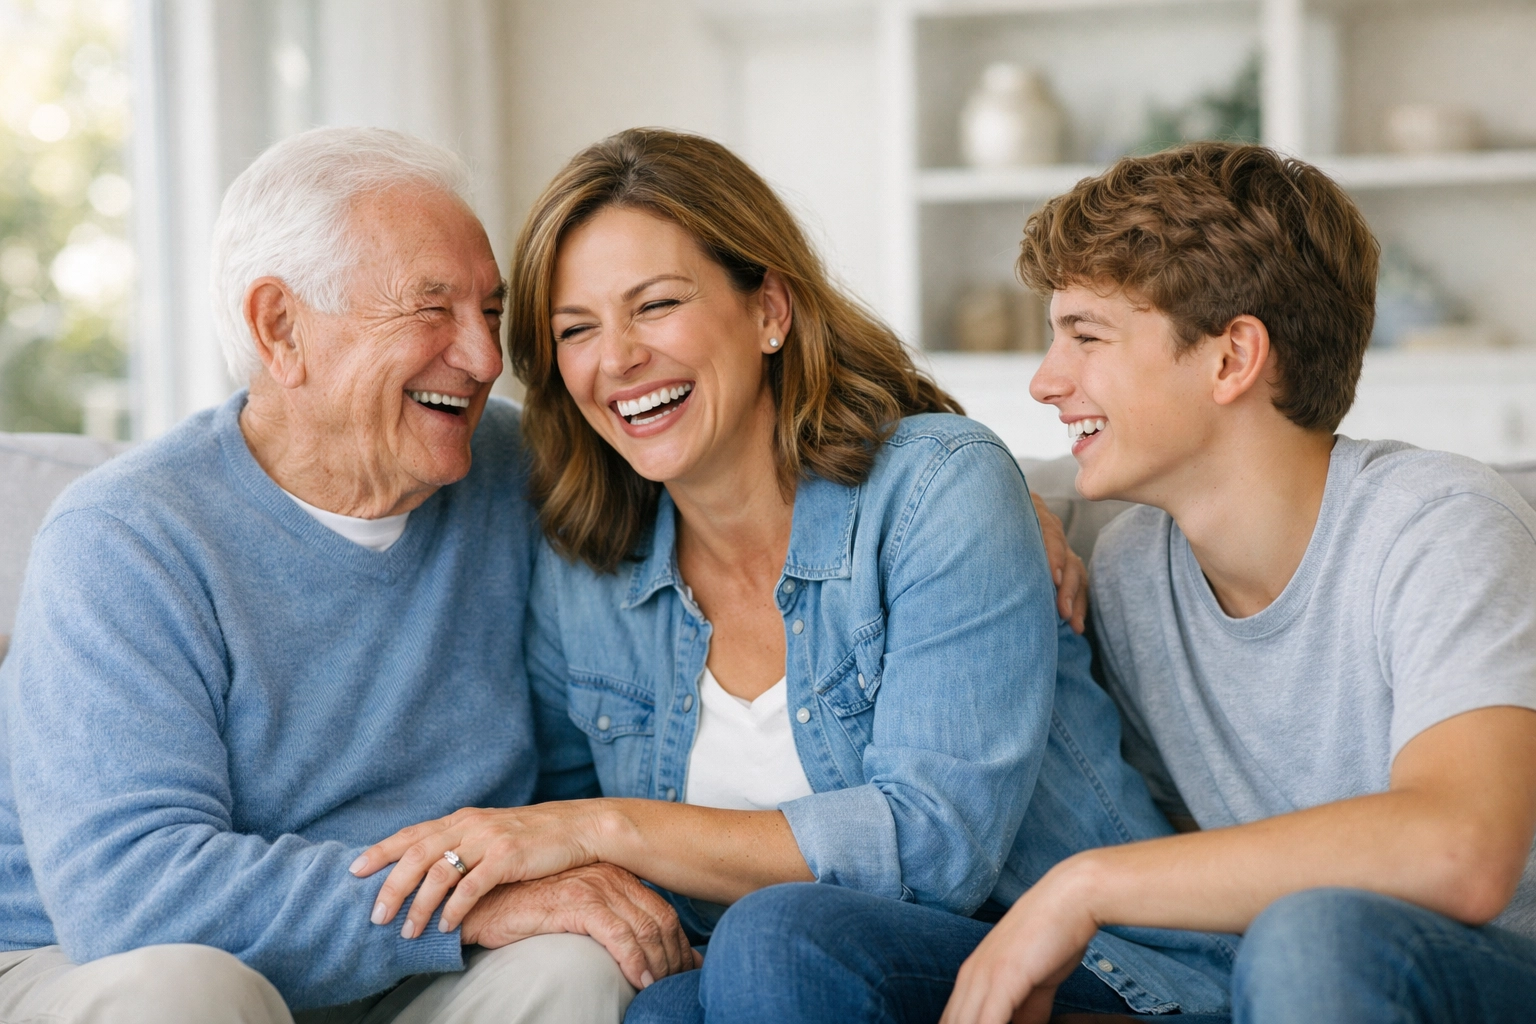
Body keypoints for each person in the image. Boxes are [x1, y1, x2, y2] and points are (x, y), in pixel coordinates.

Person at [348, 128, 1237, 1023]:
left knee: (778, 936)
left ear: (769, 308)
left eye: (655, 306)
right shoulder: (590, 564)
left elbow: (937, 852)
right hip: (768, 982)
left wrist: (608, 826)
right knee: (661, 1009)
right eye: (576, 330)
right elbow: (565, 827)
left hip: (1089, 973)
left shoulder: (934, 490)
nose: (616, 359)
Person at [0, 127, 696, 1024]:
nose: (485, 359)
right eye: (431, 308)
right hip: (91, 960)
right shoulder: (126, 536)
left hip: (413, 957)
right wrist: (471, 897)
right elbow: (133, 898)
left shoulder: (519, 469)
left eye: (490, 311)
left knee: (578, 963)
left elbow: (582, 764)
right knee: (188, 990)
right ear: (280, 328)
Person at [941, 143, 1536, 1023]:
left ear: (1232, 359)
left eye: (1087, 337)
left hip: (1482, 972)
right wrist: (986, 498)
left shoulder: (1436, 524)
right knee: (806, 939)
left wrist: (1083, 888)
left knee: (1314, 937)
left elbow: (1461, 850)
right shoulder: (1135, 569)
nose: (1044, 381)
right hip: (1260, 977)